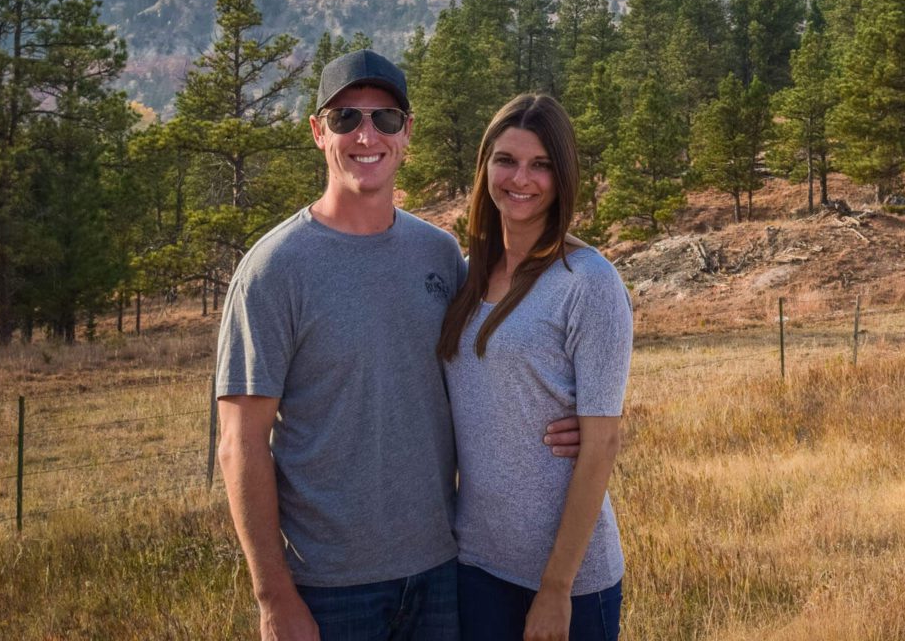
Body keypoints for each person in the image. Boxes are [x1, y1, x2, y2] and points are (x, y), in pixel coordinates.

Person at [215, 50, 581, 641]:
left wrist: (582, 423)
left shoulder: (438, 256)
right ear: (317, 132)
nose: (367, 135)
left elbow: (499, 362)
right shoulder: (273, 271)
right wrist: (274, 596)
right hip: (328, 588)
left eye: (385, 119)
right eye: (345, 119)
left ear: (406, 133)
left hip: (440, 570)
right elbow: (240, 444)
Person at [439, 94, 633, 641]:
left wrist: (556, 588)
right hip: (475, 562)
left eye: (541, 164)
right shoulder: (469, 274)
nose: (520, 178)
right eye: (506, 160)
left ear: (562, 175)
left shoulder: (588, 283)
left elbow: (601, 442)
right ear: (484, 168)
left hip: (566, 580)